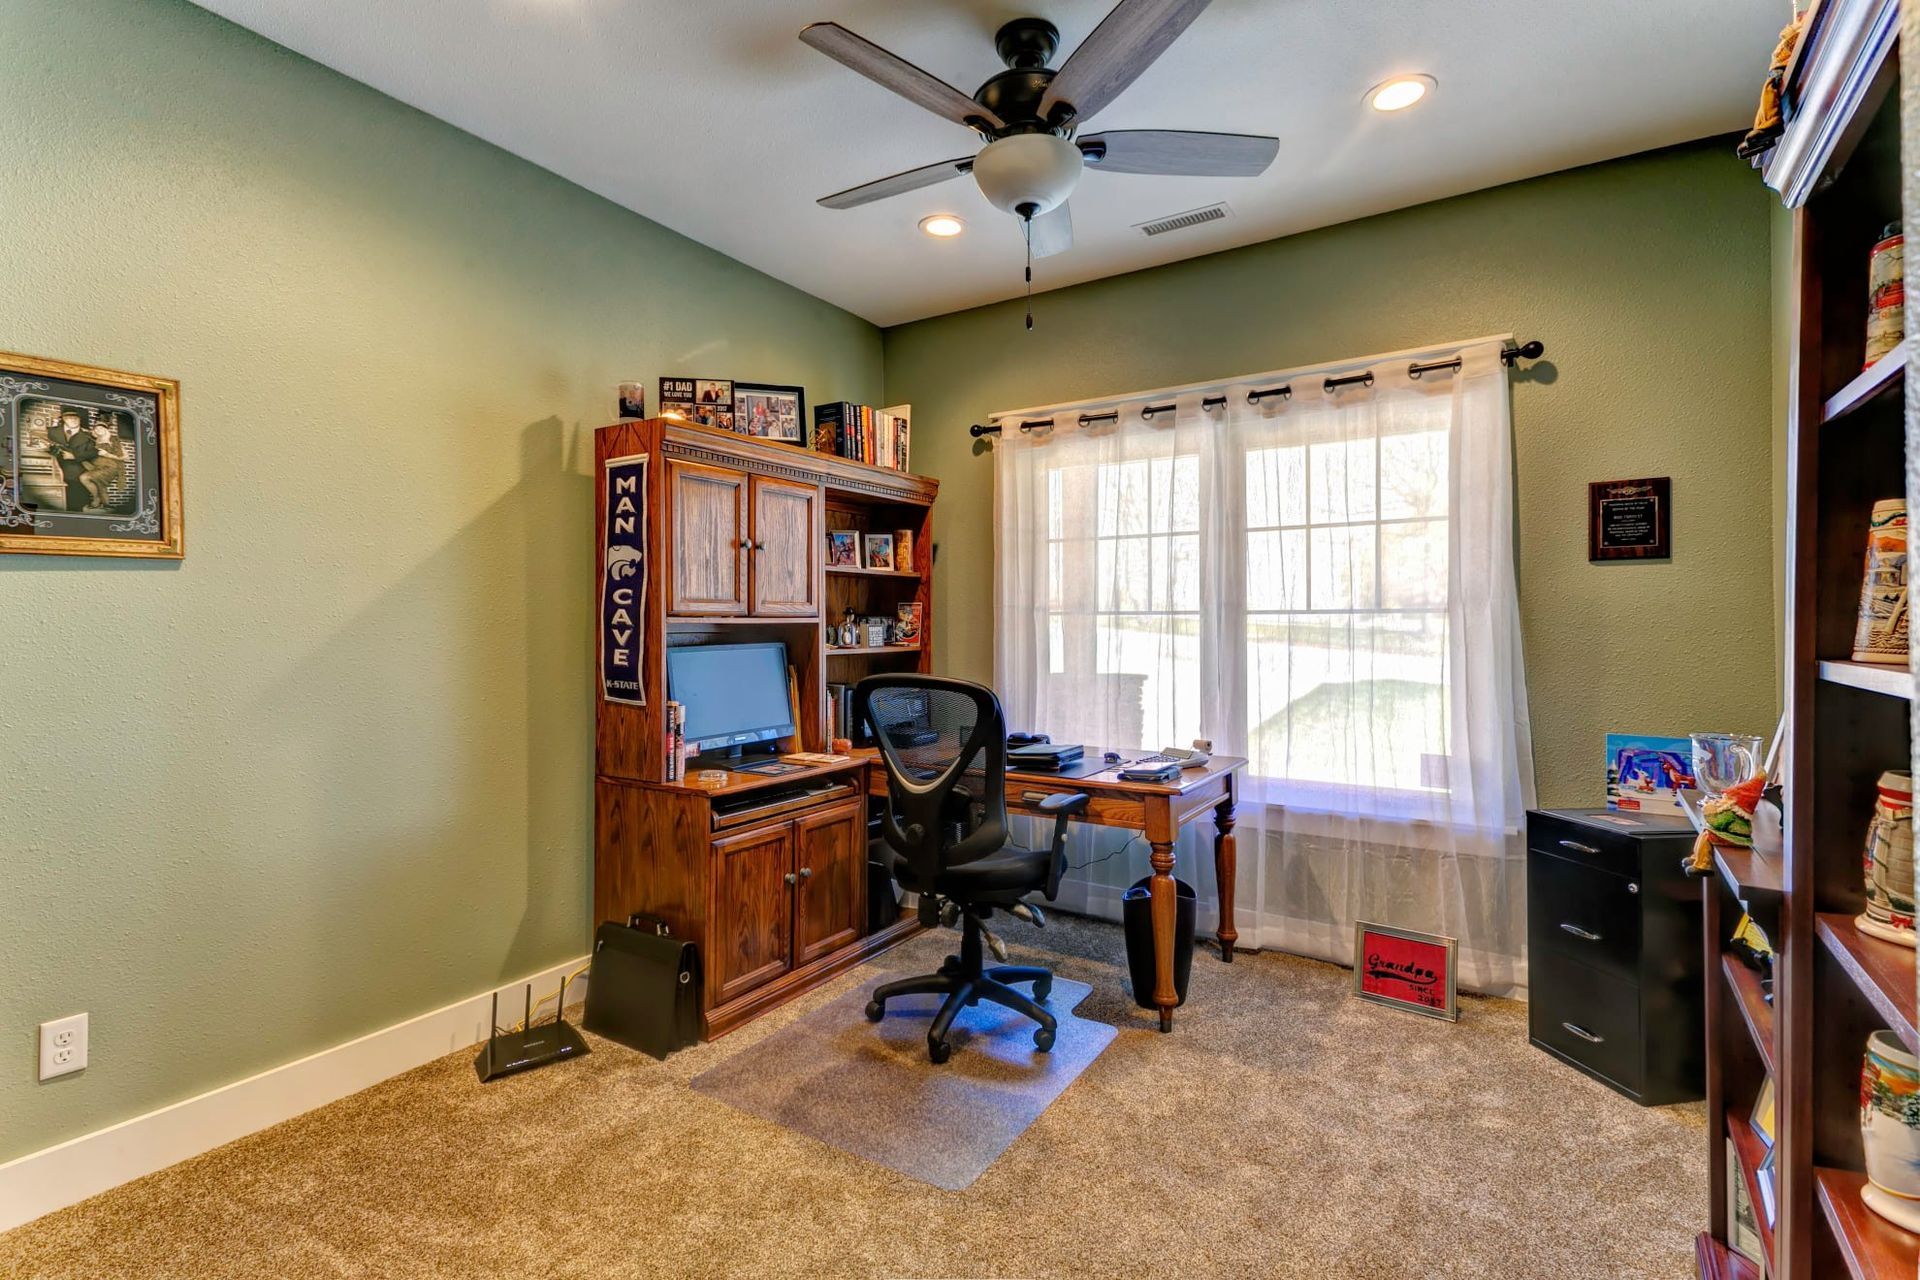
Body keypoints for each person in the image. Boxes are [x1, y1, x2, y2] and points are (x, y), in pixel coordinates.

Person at [42, 409, 98, 512]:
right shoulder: (52, 431)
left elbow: (93, 452)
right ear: (63, 419)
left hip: (76, 474)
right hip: (52, 471)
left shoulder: (88, 436)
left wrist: (75, 456)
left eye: (76, 418)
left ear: (80, 420)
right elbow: (44, 445)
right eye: (69, 417)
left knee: (76, 505)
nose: (73, 420)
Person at [76, 422, 126, 512]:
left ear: (106, 429)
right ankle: (106, 504)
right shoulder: (94, 440)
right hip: (97, 466)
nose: (99, 430)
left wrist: (107, 454)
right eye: (97, 428)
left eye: (101, 428)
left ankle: (96, 499)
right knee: (99, 484)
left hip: (110, 466)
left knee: (84, 478)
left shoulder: (113, 439)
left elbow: (125, 457)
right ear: (94, 431)